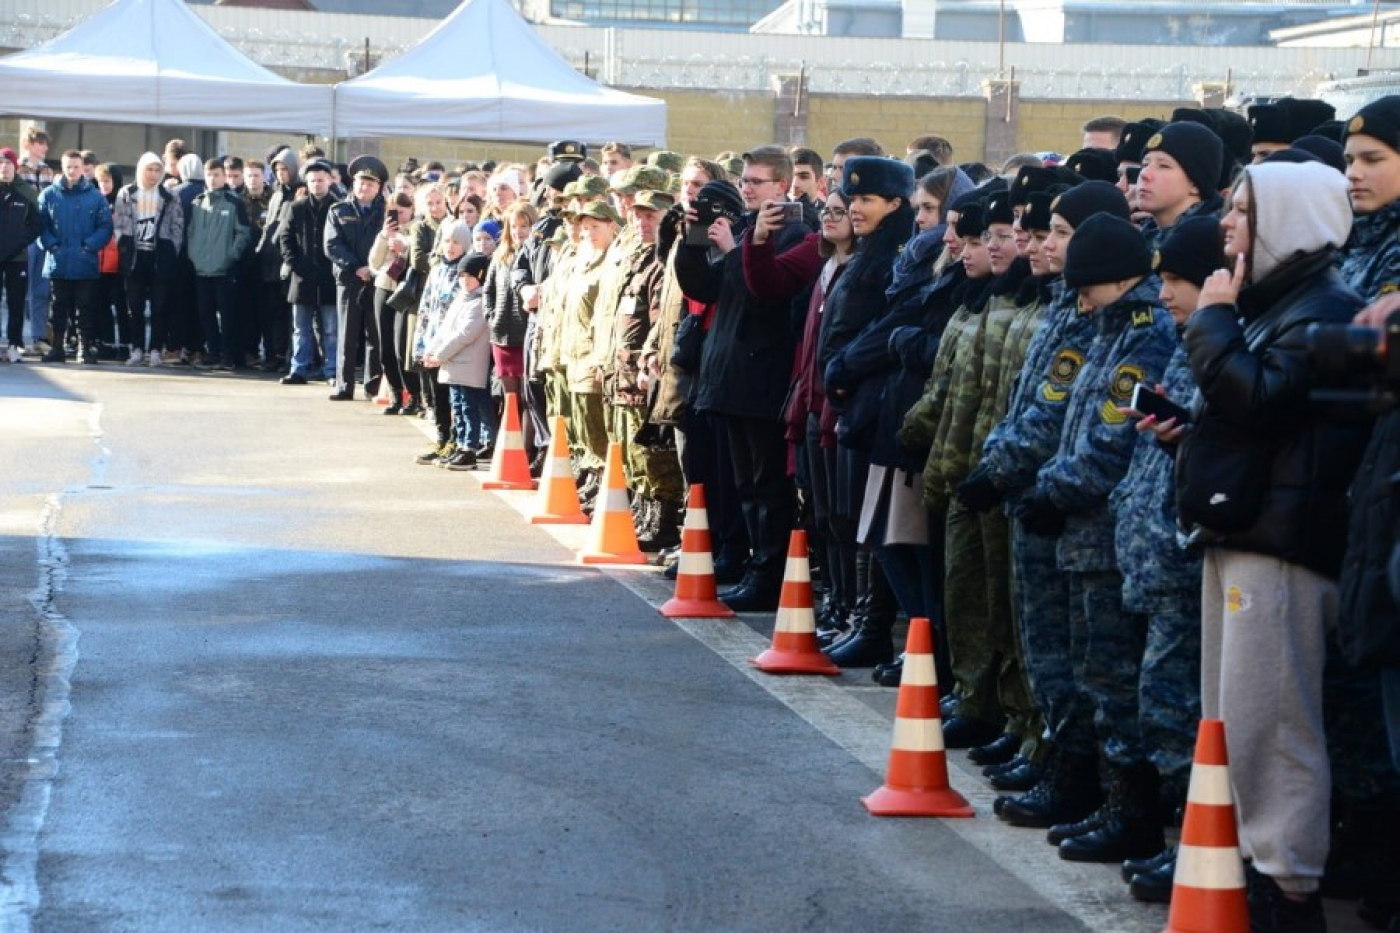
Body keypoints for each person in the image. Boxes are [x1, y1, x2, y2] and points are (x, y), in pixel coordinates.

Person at [1170, 160, 1368, 931]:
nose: (1227, 225)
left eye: (1245, 211)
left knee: (1272, 721)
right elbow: (1262, 424)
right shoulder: (1278, 302)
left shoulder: (1332, 310)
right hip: (1248, 530)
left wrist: (1212, 322)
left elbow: (1260, 400)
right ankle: (1251, 862)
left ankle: (1288, 883)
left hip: (1284, 548)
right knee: (1233, 717)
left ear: (1288, 221)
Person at [674, 145, 809, 612]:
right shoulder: (749, 229)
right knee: (744, 484)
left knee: (767, 486)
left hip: (762, 378)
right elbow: (705, 288)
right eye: (744, 181)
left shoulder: (794, 235)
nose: (746, 188)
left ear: (782, 187)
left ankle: (768, 573)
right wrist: (690, 241)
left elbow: (765, 297)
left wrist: (735, 251)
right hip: (729, 373)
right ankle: (752, 563)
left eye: (756, 182)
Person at [36, 149, 112, 363]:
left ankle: (84, 348)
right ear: (63, 167)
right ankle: (57, 347)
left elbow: (105, 227)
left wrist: (89, 247)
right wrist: (52, 246)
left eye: (76, 167)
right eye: (68, 167)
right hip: (58, 262)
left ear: (83, 168)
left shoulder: (95, 197)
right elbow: (40, 226)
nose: (72, 171)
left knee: (85, 308)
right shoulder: (49, 194)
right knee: (58, 307)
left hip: (85, 263)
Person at [426, 251, 495, 471]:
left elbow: (465, 335)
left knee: (469, 407)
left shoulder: (479, 302)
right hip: (454, 365)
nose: (465, 280)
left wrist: (440, 355)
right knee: (458, 406)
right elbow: (445, 329)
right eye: (462, 276)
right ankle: (461, 445)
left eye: (470, 276)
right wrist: (432, 351)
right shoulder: (461, 299)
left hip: (468, 366)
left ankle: (470, 448)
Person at [113, 152, 183, 367]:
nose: (153, 175)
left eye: (157, 170)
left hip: (159, 255)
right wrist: (123, 246)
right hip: (135, 256)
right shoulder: (127, 193)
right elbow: (119, 224)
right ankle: (136, 348)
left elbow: (177, 225)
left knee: (159, 306)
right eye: (149, 169)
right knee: (134, 306)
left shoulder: (169, 195)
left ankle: (155, 349)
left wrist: (171, 249)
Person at [325, 164, 386, 401]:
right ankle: (344, 385)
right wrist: (356, 267)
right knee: (347, 335)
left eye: (370, 184)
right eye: (361, 182)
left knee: (375, 336)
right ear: (353, 184)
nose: (365, 187)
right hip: (350, 279)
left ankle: (372, 386)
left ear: (379, 187)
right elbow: (332, 245)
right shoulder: (338, 210)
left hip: (377, 279)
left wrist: (373, 269)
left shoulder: (384, 211)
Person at [187, 157, 251, 371]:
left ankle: (228, 354)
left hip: (225, 269)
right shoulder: (197, 202)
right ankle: (213, 352)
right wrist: (194, 255)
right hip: (201, 268)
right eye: (209, 175)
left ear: (224, 176)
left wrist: (230, 256)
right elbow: (192, 232)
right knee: (205, 314)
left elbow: (243, 233)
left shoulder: (234, 202)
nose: (213, 179)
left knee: (228, 315)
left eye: (216, 175)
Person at [278, 159, 338, 386]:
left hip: (329, 277)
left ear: (330, 181)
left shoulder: (337, 207)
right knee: (300, 328)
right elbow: (286, 239)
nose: (317, 184)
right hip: (302, 277)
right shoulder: (296, 208)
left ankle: (332, 369)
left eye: (321, 180)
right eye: (312, 181)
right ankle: (299, 369)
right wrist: (295, 264)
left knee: (331, 329)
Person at [367, 191, 416, 413]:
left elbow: (417, 258)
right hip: (384, 287)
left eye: (403, 209)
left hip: (406, 291)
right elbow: (374, 263)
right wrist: (384, 237)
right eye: (394, 210)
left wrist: (403, 247)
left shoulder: (416, 230)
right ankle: (396, 394)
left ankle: (413, 394)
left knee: (400, 345)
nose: (399, 214)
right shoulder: (386, 232)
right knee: (385, 345)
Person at [0, 147, 42, 362]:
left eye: (8, 163)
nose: (4, 167)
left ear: (15, 166)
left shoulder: (25, 192)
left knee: (16, 302)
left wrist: (21, 242)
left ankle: (15, 343)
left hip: (18, 258)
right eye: (0, 163)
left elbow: (37, 224)